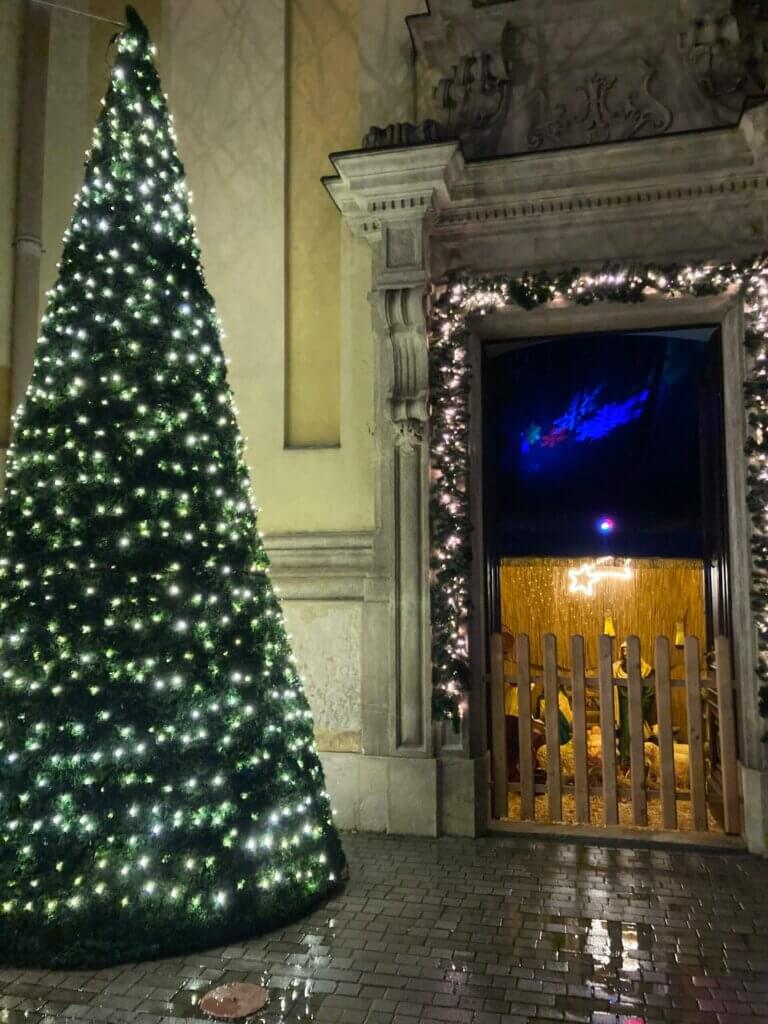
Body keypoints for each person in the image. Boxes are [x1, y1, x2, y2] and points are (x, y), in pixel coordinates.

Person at [612, 639, 656, 768]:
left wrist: (641, 707)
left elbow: (649, 692)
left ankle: (637, 761)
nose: (625, 653)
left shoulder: (646, 670)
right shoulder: (615, 669)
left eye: (628, 650)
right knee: (624, 733)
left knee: (636, 732)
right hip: (621, 707)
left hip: (639, 706)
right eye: (623, 650)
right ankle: (625, 760)